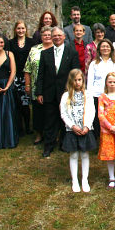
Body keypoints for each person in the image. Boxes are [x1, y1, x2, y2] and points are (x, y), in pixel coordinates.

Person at [35, 27, 80, 158]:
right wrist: (39, 93)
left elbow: (75, 73)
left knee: (65, 120)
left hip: (66, 92)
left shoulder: (71, 52)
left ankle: (64, 144)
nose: (56, 38)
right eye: (54, 36)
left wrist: (73, 91)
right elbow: (41, 75)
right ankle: (48, 146)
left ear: (64, 37)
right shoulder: (45, 53)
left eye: (59, 35)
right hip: (49, 92)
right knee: (50, 120)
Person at [60, 69, 96, 193]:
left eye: (79, 80)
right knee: (74, 154)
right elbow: (63, 113)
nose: (77, 83)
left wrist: (86, 126)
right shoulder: (66, 96)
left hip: (85, 129)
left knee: (85, 154)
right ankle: (75, 180)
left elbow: (91, 111)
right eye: (75, 80)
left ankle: (84, 179)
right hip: (72, 130)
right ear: (71, 81)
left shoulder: (88, 94)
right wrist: (72, 126)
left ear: (83, 80)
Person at [87, 39, 115, 138]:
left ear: (111, 48)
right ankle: (99, 138)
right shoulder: (94, 63)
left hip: (114, 96)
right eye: (103, 46)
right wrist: (89, 97)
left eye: (107, 46)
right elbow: (90, 81)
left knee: (113, 117)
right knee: (99, 118)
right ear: (99, 49)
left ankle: (113, 135)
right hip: (98, 95)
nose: (105, 48)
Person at [24, 26, 54, 145]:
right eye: (44, 35)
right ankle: (39, 133)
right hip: (36, 85)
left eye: (49, 35)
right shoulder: (34, 49)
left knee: (51, 112)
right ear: (41, 37)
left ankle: (51, 134)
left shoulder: (56, 49)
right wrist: (27, 85)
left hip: (51, 86)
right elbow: (27, 69)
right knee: (37, 111)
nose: (47, 37)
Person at [8, 21, 35, 136]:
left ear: (25, 29)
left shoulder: (31, 42)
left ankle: (28, 127)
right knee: (16, 103)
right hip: (15, 76)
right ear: (15, 30)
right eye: (18, 28)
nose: (20, 30)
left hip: (27, 76)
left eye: (22, 28)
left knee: (26, 104)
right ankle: (18, 128)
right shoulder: (10, 43)